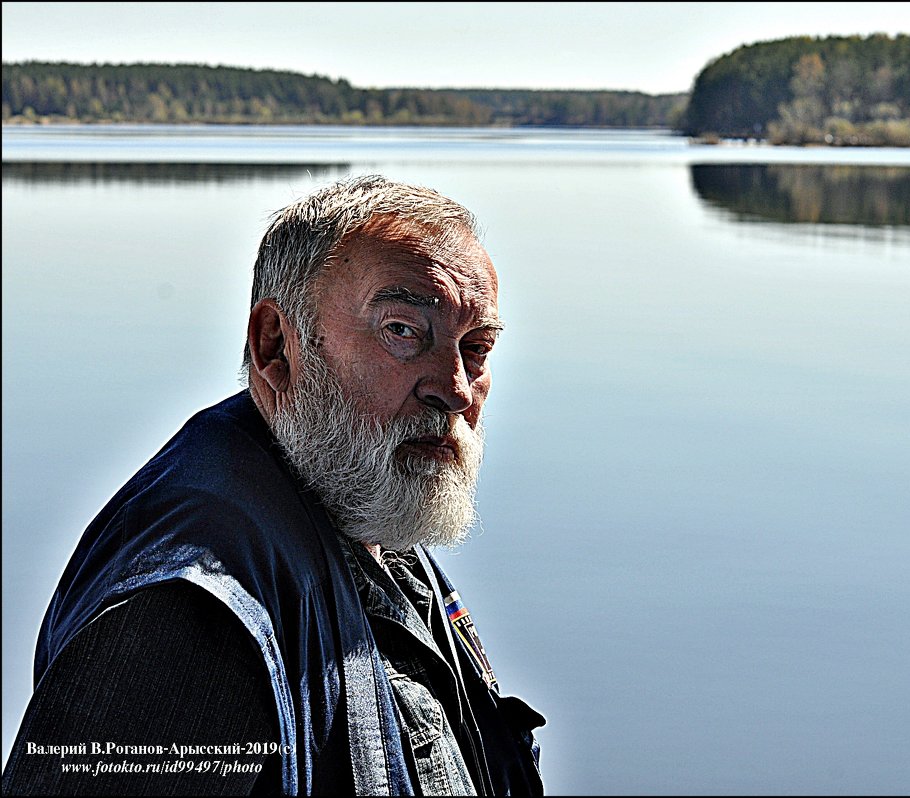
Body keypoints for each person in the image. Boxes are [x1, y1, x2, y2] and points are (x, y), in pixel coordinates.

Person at [1, 175, 545, 796]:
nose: (452, 387)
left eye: (475, 348)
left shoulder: (358, 493)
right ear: (276, 348)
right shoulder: (184, 622)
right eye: (402, 331)